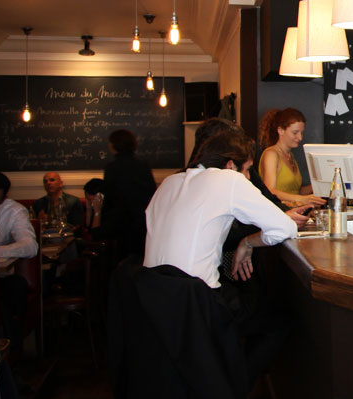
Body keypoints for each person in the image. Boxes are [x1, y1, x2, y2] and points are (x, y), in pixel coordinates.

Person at [144, 128, 297, 290]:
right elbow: (286, 228)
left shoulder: (169, 182)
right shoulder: (228, 179)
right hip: (194, 298)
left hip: (149, 296)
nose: (249, 178)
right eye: (246, 170)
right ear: (231, 165)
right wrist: (247, 243)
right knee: (260, 299)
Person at [0, 172, 38, 345]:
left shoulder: (14, 211)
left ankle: (8, 349)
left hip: (1, 278)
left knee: (12, 289)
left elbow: (30, 246)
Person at [102, 129, 158, 262]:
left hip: (119, 223)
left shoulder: (112, 168)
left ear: (114, 145)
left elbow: (109, 198)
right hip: (140, 221)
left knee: (121, 261)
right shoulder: (143, 165)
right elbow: (152, 191)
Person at [257, 109, 324, 208]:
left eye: (301, 133)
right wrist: (303, 199)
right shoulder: (271, 154)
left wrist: (319, 186)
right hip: (278, 212)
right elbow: (270, 190)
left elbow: (296, 192)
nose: (300, 138)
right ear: (281, 131)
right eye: (295, 133)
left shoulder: (290, 156)